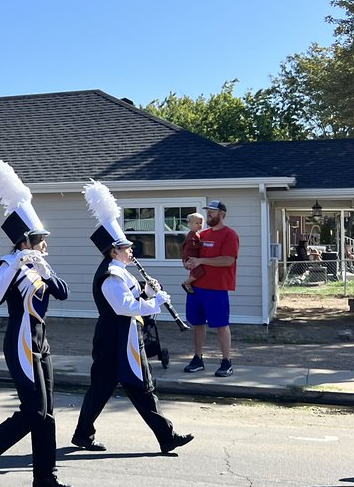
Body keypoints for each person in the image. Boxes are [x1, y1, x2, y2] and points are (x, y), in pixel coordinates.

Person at [0, 161, 72, 487]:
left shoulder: (40, 265)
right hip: (20, 341)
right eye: (41, 240)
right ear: (27, 240)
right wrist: (16, 263)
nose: (45, 244)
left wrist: (42, 267)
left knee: (47, 412)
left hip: (41, 342)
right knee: (35, 410)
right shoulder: (8, 264)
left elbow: (62, 293)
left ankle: (45, 475)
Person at [75, 180, 194, 455]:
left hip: (124, 336)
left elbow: (132, 298)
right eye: (125, 247)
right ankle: (163, 436)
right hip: (116, 339)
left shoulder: (120, 271)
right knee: (120, 387)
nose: (131, 250)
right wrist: (155, 302)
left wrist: (147, 292)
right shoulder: (111, 275)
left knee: (135, 387)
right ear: (113, 251)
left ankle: (164, 436)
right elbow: (124, 307)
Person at [183, 200, 240, 377]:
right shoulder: (201, 234)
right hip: (196, 287)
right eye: (207, 211)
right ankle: (198, 358)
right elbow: (192, 255)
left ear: (222, 214)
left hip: (216, 288)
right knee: (197, 323)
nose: (208, 214)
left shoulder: (229, 235)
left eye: (212, 211)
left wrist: (201, 261)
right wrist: (188, 263)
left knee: (221, 324)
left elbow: (228, 260)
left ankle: (226, 362)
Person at [179, 212, 206, 294]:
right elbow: (191, 245)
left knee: (195, 271)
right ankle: (186, 282)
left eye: (201, 223)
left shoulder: (196, 234)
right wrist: (200, 244)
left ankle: (190, 281)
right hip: (190, 256)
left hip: (191, 256)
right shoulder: (192, 234)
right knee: (200, 272)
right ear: (190, 224)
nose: (199, 225)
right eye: (197, 223)